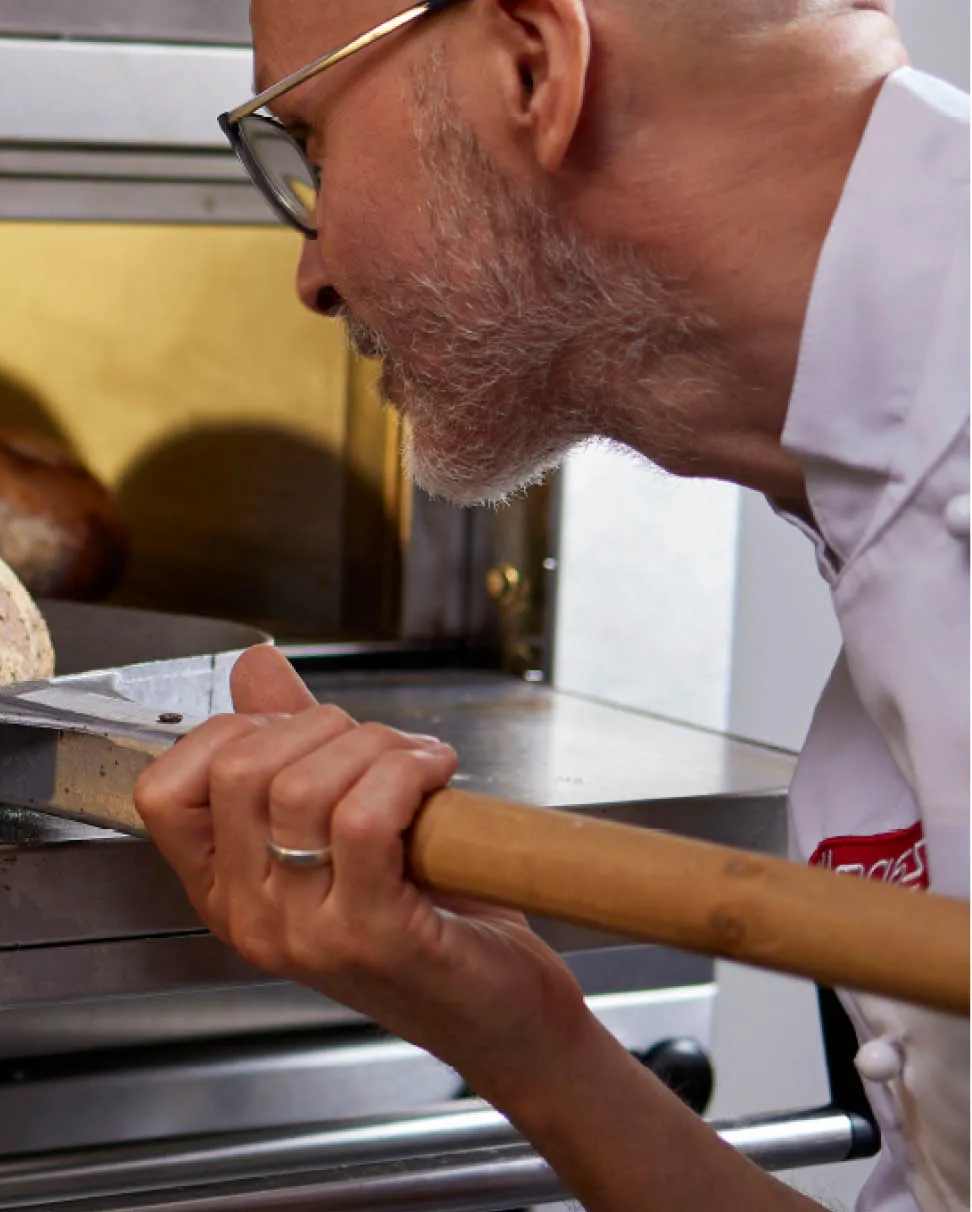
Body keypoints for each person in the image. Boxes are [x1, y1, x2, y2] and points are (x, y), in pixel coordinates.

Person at [133, 1, 969, 1208]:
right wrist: (529, 1041)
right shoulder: (873, 518)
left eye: (308, 144)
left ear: (532, 64)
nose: (309, 270)